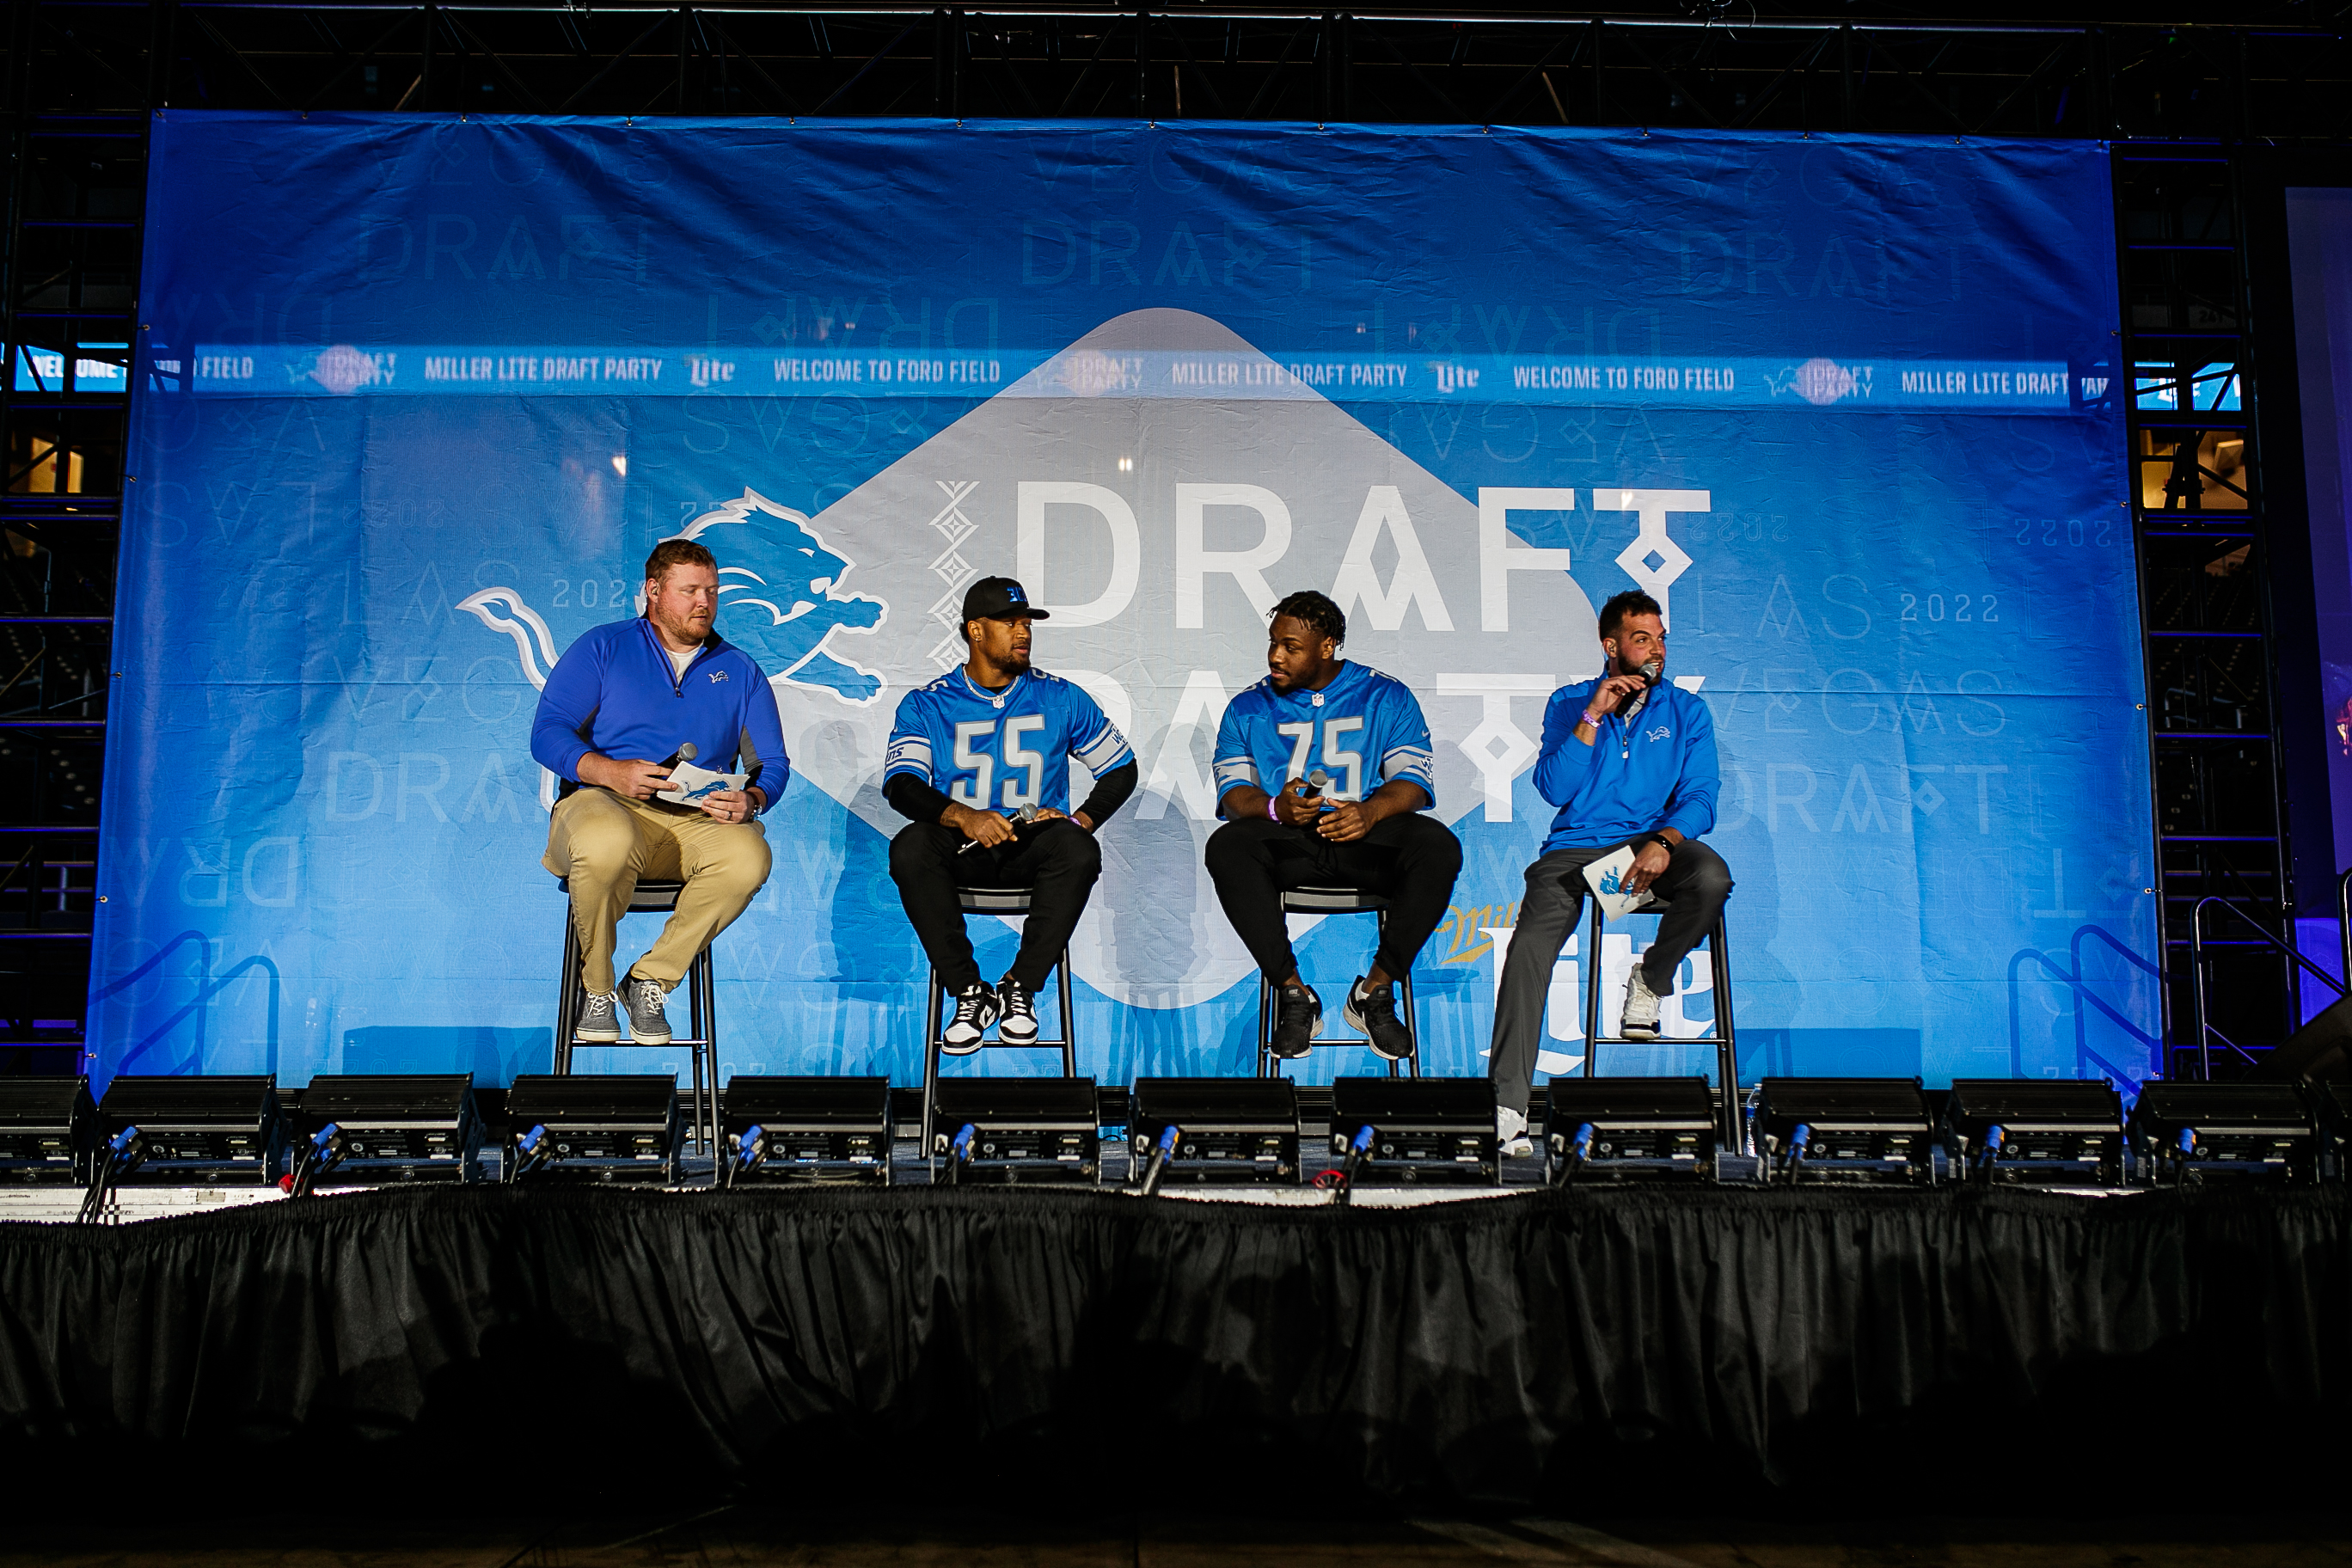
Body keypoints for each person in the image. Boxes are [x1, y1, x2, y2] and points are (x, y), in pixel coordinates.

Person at [1487, 589, 1732, 1157]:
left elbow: (1701, 797)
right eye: (1643, 638)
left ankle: (1650, 979)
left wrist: (1663, 841)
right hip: (1575, 855)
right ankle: (1507, 1108)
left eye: (1661, 638)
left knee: (1711, 877)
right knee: (1528, 949)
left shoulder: (1686, 711)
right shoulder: (1570, 702)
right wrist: (1593, 717)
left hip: (1647, 849)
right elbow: (1554, 789)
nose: (1657, 650)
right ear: (1611, 645)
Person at [531, 537, 787, 1047]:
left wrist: (752, 800)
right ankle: (596, 989)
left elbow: (771, 765)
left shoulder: (740, 670)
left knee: (748, 856)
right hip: (602, 805)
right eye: (690, 590)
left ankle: (650, 980)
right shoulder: (605, 647)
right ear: (653, 591)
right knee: (605, 842)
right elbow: (548, 733)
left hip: (692, 822)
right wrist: (608, 771)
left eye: (712, 591)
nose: (704, 602)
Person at [1205, 590, 1461, 1062]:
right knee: (1227, 845)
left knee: (1438, 846)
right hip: (1291, 841)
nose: (1276, 656)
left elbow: (1412, 783)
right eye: (1273, 644)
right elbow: (1233, 794)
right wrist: (1277, 810)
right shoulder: (1246, 707)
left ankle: (1375, 993)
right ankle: (1293, 993)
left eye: (1291, 647)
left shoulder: (1385, 694)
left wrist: (1370, 812)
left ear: (1327, 646)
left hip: (1362, 835)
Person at [885, 577, 1137, 1050]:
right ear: (975, 631)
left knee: (1078, 847)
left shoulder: (1059, 696)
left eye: (1026, 623)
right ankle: (969, 992)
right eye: (1010, 623)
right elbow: (902, 786)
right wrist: (965, 816)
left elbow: (1121, 769)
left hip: (1032, 848)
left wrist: (1079, 819)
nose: (1023, 633)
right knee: (911, 846)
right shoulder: (928, 703)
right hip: (965, 847)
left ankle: (1020, 987)